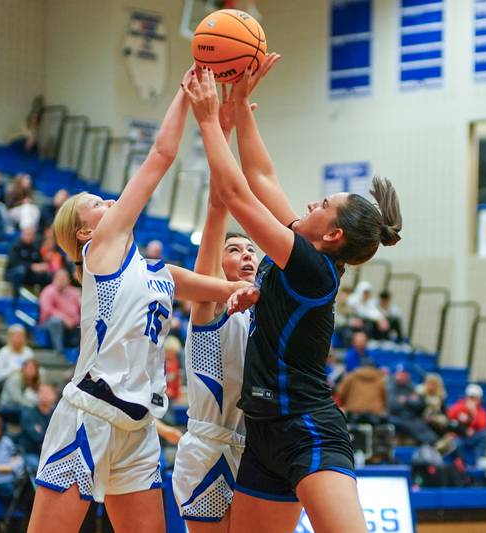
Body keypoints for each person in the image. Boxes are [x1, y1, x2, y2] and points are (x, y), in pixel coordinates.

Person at [183, 59, 402, 532]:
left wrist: (208, 120)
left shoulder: (310, 266)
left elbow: (239, 195)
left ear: (334, 235)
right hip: (263, 432)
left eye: (323, 205)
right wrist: (240, 107)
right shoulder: (305, 252)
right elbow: (262, 178)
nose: (310, 204)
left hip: (307, 428)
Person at [29, 67, 247, 532]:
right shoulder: (101, 249)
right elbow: (161, 154)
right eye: (95, 203)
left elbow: (221, 288)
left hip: (140, 427)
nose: (107, 202)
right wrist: (186, 95)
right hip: (89, 415)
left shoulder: (156, 272)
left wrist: (253, 288)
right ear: (84, 231)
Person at [171, 96, 260, 527]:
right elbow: (218, 206)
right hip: (207, 446)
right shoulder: (208, 306)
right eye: (234, 249)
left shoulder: (262, 314)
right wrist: (220, 132)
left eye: (251, 250)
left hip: (253, 449)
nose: (246, 255)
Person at [389, 370, 437, 445]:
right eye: (401, 374)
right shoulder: (391, 387)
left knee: (421, 424)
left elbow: (420, 403)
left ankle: (433, 441)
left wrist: (406, 401)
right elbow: (392, 405)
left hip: (412, 415)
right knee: (411, 425)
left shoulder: (410, 386)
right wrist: (410, 401)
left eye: (405, 374)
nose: (403, 376)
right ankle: (429, 442)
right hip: (398, 416)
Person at [447, 383, 486, 467]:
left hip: (472, 437)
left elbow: (483, 425)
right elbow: (449, 419)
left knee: (484, 434)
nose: (473, 400)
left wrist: (474, 412)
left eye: (476, 398)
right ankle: (463, 464)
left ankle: (479, 460)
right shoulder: (458, 407)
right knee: (456, 443)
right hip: (458, 437)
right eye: (471, 397)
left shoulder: (480, 410)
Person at [39, 269, 80, 354]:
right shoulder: (48, 291)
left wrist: (74, 320)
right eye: (60, 278)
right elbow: (47, 310)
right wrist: (64, 318)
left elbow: (79, 310)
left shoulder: (74, 292)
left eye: (64, 278)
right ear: (54, 279)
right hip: (49, 322)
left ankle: (80, 351)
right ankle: (59, 350)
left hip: (72, 322)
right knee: (55, 321)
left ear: (68, 280)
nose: (62, 280)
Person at [5, 227, 52, 302]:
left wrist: (43, 265)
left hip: (29, 275)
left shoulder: (35, 247)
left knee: (47, 275)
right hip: (13, 274)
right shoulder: (16, 245)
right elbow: (14, 262)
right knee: (20, 271)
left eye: (32, 235)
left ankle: (44, 299)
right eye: (28, 234)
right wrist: (31, 266)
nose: (30, 237)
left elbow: (39, 262)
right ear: (22, 234)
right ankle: (16, 299)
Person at [19, 383, 57, 473]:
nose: (44, 395)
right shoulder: (28, 413)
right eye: (41, 392)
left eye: (48, 392)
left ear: (54, 396)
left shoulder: (58, 414)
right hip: (32, 452)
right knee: (39, 467)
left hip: (52, 453)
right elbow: (37, 437)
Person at [0, 358, 42, 424]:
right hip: (6, 407)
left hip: (23, 406)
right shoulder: (15, 378)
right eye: (28, 368)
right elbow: (17, 399)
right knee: (28, 411)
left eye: (33, 369)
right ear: (23, 368)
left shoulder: (36, 381)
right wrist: (34, 406)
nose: (31, 371)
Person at [164, 336, 182, 403]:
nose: (172, 355)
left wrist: (177, 394)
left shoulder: (175, 362)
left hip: (171, 395)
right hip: (162, 393)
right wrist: (165, 390)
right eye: (170, 352)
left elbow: (176, 379)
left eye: (174, 353)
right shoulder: (162, 362)